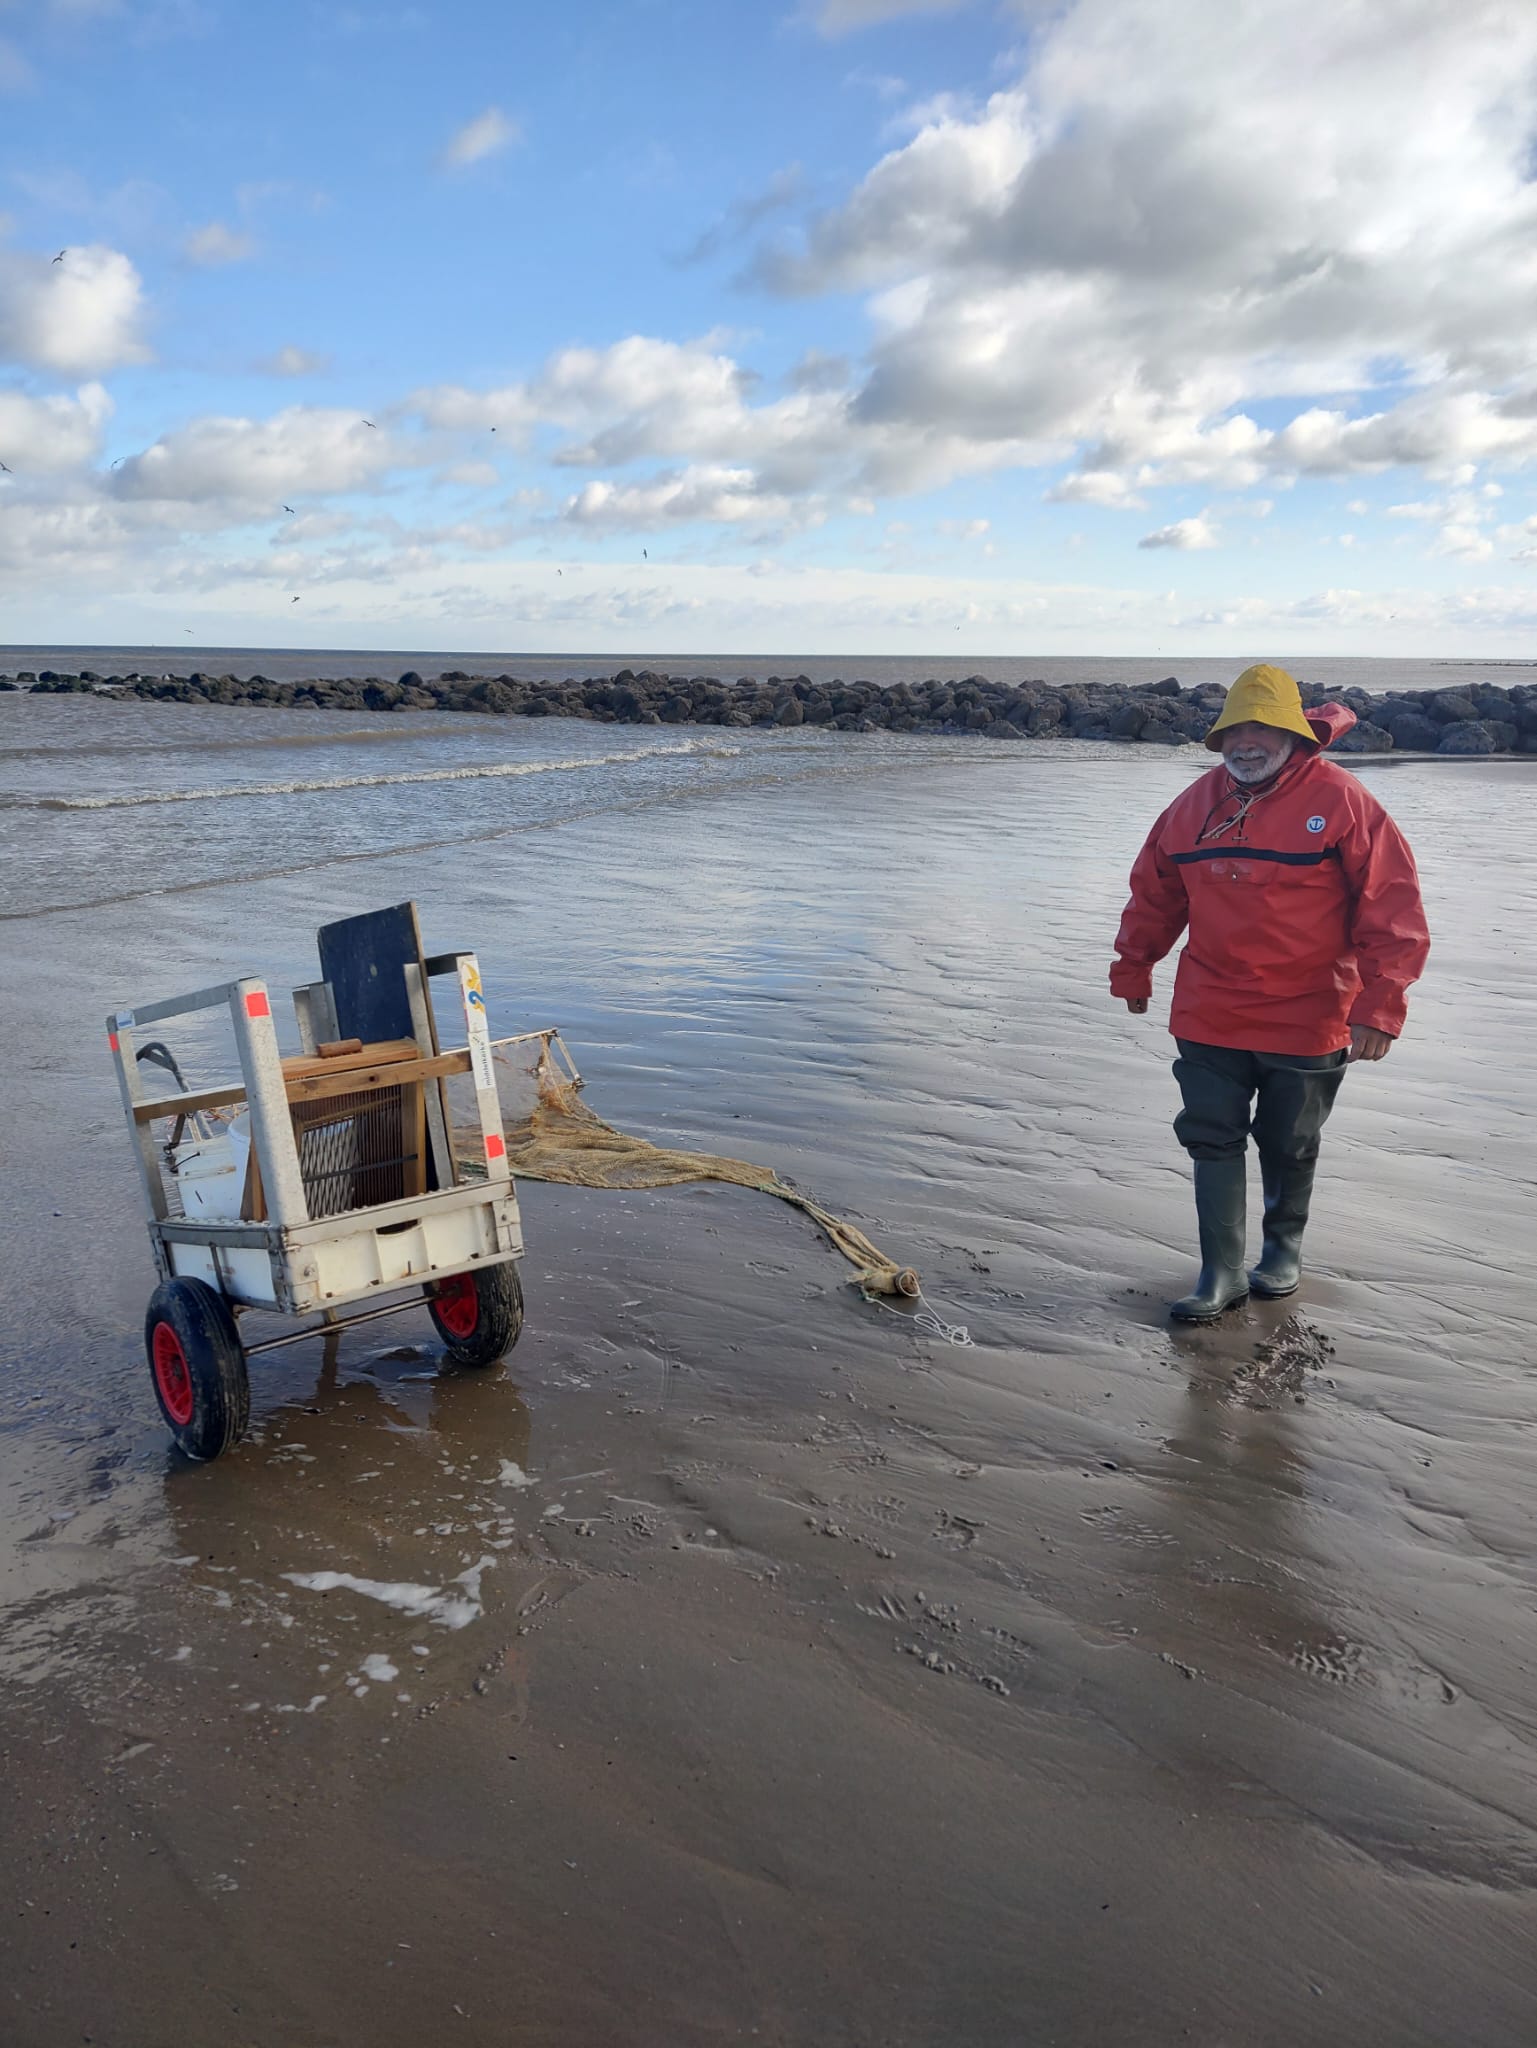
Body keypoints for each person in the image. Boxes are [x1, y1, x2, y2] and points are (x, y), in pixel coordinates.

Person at [1110, 663, 1430, 1322]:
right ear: (1219, 738)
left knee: (1288, 1142)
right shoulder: (1192, 807)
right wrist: (1133, 967)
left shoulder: (1342, 801)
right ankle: (1220, 1273)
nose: (1246, 743)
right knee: (1211, 1135)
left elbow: (1391, 908)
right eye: (1235, 731)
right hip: (1208, 1010)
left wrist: (1380, 1005)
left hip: (1310, 1014)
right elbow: (1155, 892)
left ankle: (1281, 1251)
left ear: (1292, 733)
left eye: (1262, 729)